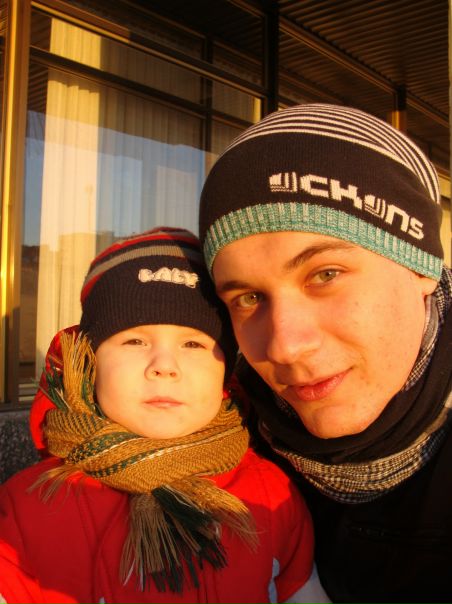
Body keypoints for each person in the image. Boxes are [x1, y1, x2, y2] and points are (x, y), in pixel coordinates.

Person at [198, 103, 452, 604]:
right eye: (248, 298)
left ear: (421, 264)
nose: (285, 346)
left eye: (326, 274)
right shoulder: (216, 444)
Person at [0, 227, 331, 604]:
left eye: (193, 343)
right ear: (91, 364)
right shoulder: (26, 508)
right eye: (134, 341)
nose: (164, 366)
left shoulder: (274, 496)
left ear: (226, 369)